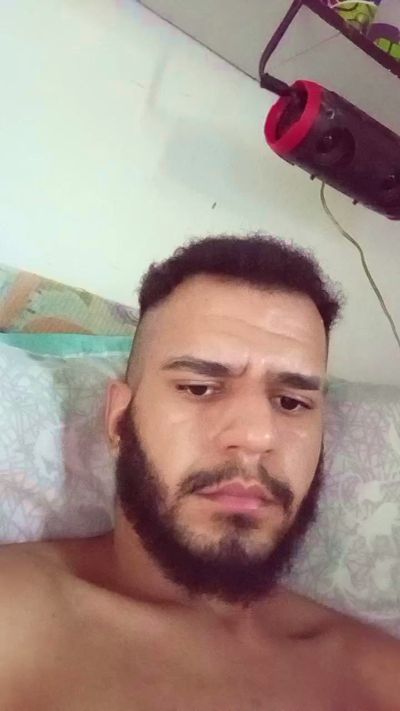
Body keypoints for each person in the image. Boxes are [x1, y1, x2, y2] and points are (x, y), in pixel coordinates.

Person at [1, 235, 399, 710]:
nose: (256, 436)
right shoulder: (15, 622)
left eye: (292, 402)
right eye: (199, 388)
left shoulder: (377, 676)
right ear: (118, 420)